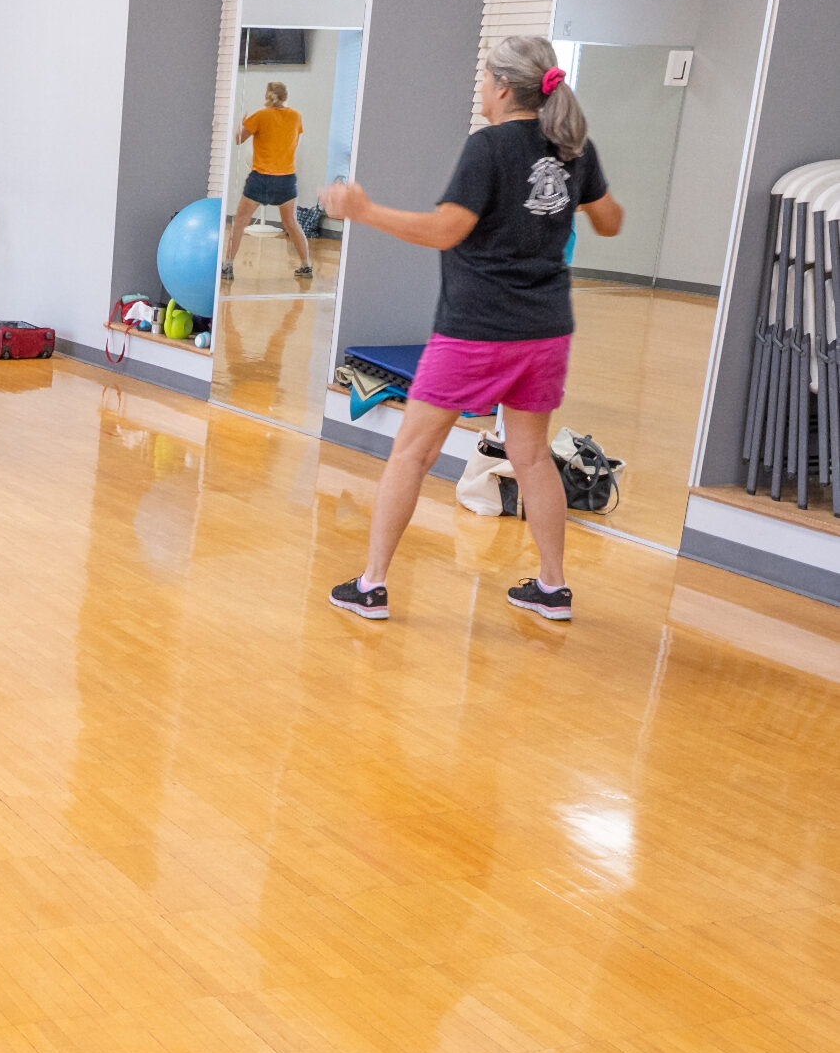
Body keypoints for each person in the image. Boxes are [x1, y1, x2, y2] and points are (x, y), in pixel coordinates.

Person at [320, 36, 622, 623]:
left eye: (485, 79)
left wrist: (364, 211)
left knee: (412, 452)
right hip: (546, 330)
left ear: (503, 87)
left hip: (478, 329)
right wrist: (561, 196)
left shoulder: (488, 147)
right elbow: (610, 221)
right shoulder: (572, 147)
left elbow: (444, 230)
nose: (481, 89)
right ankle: (553, 589)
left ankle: (372, 584)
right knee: (532, 457)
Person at [222, 80, 314, 280]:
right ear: (285, 96)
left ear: (267, 96)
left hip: (261, 178)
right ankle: (306, 266)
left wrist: (242, 123)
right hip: (286, 179)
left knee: (239, 222)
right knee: (291, 223)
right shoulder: (296, 116)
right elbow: (294, 142)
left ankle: (227, 266)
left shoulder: (260, 115)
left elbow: (239, 139)